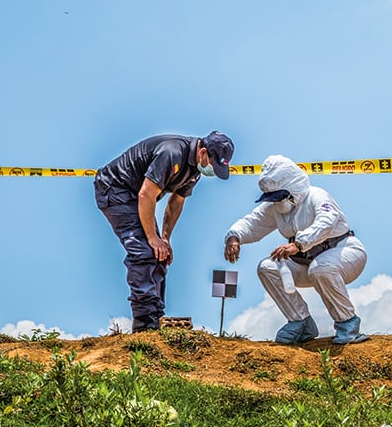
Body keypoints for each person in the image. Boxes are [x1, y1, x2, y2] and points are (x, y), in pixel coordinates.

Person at [94, 131, 234, 332]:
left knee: (160, 254)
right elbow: (146, 195)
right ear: (203, 152)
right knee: (144, 251)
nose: (212, 170)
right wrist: (152, 237)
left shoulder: (195, 170)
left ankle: (156, 315)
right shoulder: (172, 153)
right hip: (115, 189)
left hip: (138, 195)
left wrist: (165, 239)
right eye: (213, 164)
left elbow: (176, 202)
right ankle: (144, 321)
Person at [223, 155, 369, 345]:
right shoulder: (275, 208)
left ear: (293, 186)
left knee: (321, 268)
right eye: (273, 197)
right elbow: (252, 223)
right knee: (267, 267)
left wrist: (298, 244)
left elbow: (326, 222)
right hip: (307, 263)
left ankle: (347, 324)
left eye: (279, 196)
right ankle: (300, 322)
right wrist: (234, 237)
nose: (277, 201)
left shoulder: (317, 196)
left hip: (345, 253)